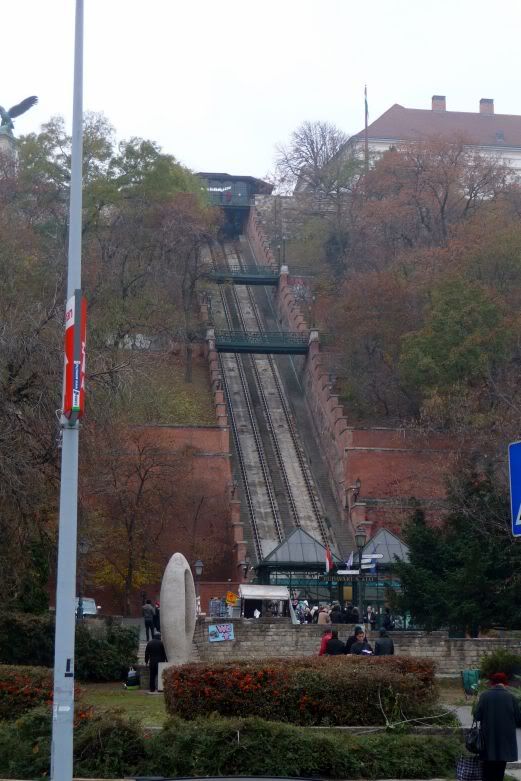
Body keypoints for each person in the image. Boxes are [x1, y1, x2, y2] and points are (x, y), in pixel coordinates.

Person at [475, 672, 521, 781]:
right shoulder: (512, 697)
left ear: (492, 683)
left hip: (488, 738)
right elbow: (519, 720)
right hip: (505, 740)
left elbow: (477, 716)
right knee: (500, 769)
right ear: (505, 684)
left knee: (487, 770)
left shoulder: (484, 696)